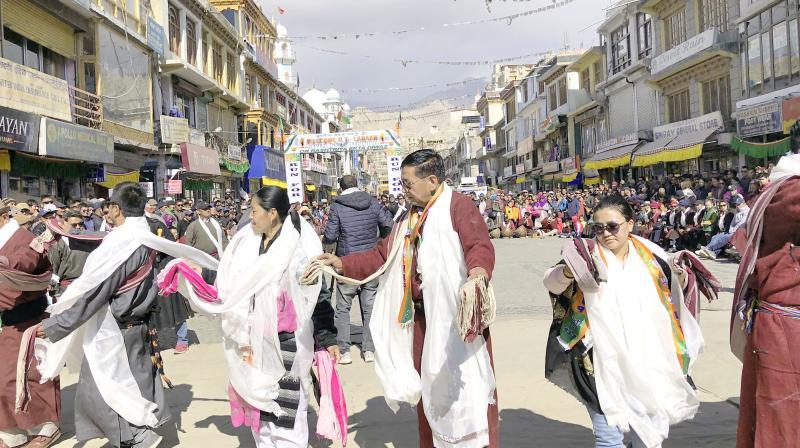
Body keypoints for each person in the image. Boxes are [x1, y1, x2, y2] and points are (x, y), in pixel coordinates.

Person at [316, 149, 498, 448]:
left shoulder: (459, 206)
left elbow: (479, 245)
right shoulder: (408, 217)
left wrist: (477, 275)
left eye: (408, 183)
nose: (404, 190)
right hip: (419, 325)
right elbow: (381, 255)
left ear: (432, 180)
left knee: (466, 395)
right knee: (428, 396)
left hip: (455, 322)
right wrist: (342, 263)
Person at [35, 183, 216, 448]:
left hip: (116, 332)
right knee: (137, 383)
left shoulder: (124, 244)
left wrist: (56, 326)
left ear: (116, 209)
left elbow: (95, 293)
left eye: (109, 206)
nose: (106, 211)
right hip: (136, 326)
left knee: (103, 390)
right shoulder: (144, 235)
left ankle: (139, 438)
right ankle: (139, 435)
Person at [543, 195, 704, 448]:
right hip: (599, 360)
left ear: (630, 224)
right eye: (598, 228)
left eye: (612, 226)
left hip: (647, 359)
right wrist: (567, 271)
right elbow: (551, 282)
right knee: (608, 437)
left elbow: (674, 293)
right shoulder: (585, 254)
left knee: (647, 435)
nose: (605, 233)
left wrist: (683, 277)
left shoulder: (653, 256)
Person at [195, 186, 339, 448]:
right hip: (252, 342)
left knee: (286, 411)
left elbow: (316, 296)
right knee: (259, 411)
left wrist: (328, 338)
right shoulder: (247, 245)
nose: (250, 216)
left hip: (287, 343)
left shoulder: (294, 250)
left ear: (272, 213)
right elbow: (231, 285)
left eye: (254, 211)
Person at [733, 130, 800, 447]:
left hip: (776, 322)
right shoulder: (791, 192)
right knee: (782, 421)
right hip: (786, 326)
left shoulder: (775, 190)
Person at [0, 200, 61, 448]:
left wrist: (3, 263)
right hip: (8, 320)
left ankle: (47, 426)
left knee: (36, 373)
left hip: (29, 317)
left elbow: (25, 263)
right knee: (5, 376)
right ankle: (11, 430)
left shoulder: (23, 236)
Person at [322, 175, 394, 365]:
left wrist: (327, 245)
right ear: (357, 185)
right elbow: (389, 225)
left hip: (346, 263)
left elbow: (330, 235)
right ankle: (369, 349)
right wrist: (380, 243)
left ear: (340, 187)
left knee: (343, 308)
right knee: (370, 307)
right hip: (371, 262)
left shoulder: (337, 206)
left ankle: (345, 351)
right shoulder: (373, 202)